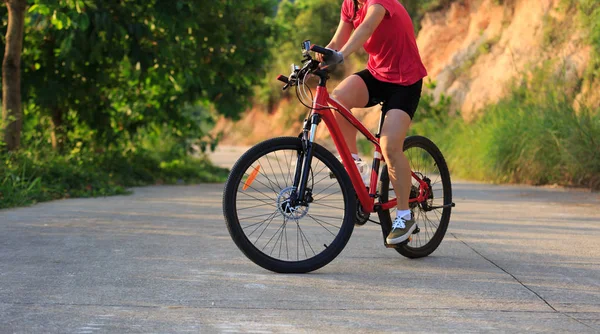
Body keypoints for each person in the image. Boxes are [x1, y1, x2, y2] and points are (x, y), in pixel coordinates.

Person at [318, 0, 427, 245]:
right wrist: (318, 59)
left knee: (389, 147)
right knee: (338, 99)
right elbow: (336, 41)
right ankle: (354, 165)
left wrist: (341, 55)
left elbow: (366, 28)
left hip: (405, 82)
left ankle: (404, 216)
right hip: (378, 75)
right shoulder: (350, 4)